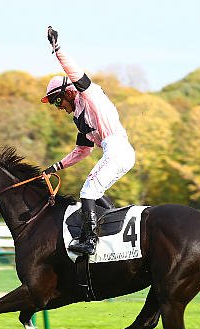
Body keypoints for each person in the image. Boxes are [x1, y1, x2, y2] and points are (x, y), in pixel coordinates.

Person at [41, 26, 135, 256]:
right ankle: (113, 228)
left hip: (117, 148)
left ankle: (90, 241)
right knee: (95, 191)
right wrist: (55, 167)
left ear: (68, 92)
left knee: (88, 191)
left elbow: (73, 71)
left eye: (57, 101)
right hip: (115, 151)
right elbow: (82, 151)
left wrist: (57, 49)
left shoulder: (89, 95)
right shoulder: (79, 117)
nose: (58, 107)